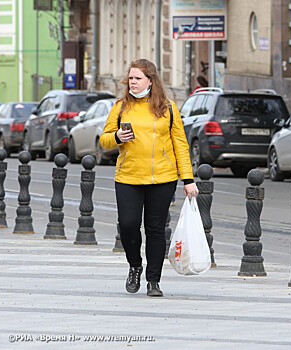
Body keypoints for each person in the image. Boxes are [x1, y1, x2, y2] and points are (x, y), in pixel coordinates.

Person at [99, 59, 198, 297]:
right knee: (128, 225)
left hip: (162, 178)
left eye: (137, 78)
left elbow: (180, 146)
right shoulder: (120, 107)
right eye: (130, 78)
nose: (132, 82)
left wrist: (188, 180)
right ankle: (135, 265)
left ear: (151, 81)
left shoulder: (169, 108)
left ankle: (153, 280)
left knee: (155, 229)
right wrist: (117, 137)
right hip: (128, 177)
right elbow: (103, 141)